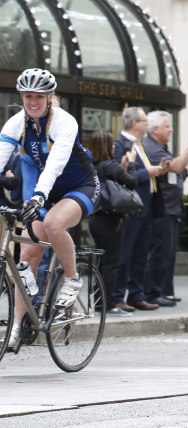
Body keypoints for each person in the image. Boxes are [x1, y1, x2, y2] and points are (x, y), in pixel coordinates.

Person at [0, 69, 100, 349]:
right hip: (47, 191)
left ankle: (72, 277)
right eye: (28, 96)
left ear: (49, 97)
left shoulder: (64, 122)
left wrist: (38, 197)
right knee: (28, 255)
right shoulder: (16, 124)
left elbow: (55, 164)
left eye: (39, 97)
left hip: (80, 186)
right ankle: (18, 326)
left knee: (55, 224)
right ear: (22, 97)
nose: (33, 101)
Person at [143, 111, 188, 307]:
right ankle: (153, 293)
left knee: (167, 252)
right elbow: (176, 167)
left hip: (170, 208)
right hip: (161, 208)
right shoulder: (151, 148)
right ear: (156, 129)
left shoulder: (161, 147)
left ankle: (165, 291)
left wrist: (182, 164)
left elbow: (176, 170)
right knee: (159, 252)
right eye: (167, 126)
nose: (171, 129)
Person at [113, 107, 169, 312]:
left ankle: (137, 295)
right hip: (130, 207)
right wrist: (149, 173)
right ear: (135, 124)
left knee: (140, 254)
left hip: (145, 205)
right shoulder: (120, 145)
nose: (147, 124)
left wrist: (155, 171)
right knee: (125, 253)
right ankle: (118, 296)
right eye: (145, 120)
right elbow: (122, 175)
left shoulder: (138, 145)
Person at [87, 130, 139, 316]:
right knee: (111, 263)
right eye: (111, 143)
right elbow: (132, 182)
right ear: (107, 146)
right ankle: (108, 305)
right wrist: (131, 163)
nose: (114, 146)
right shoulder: (110, 166)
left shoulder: (90, 166)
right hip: (111, 219)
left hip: (95, 218)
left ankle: (98, 301)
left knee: (102, 262)